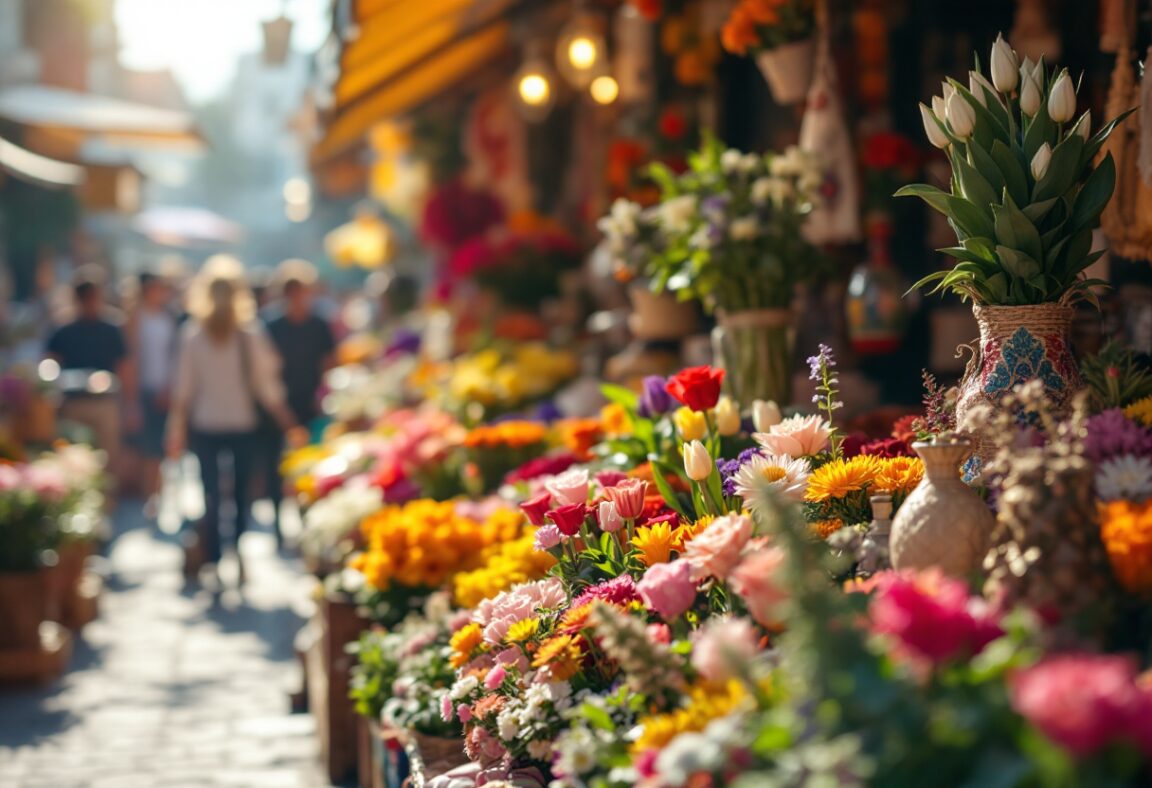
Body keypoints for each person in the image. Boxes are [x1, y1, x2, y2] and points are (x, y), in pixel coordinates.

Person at [166, 257, 297, 586]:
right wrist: (287, 421)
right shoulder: (249, 333)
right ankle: (236, 550)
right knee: (239, 494)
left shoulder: (194, 334)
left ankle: (212, 556)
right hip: (241, 424)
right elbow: (267, 387)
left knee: (210, 492)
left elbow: (183, 390)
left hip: (206, 425)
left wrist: (176, 429)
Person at [261, 259, 335, 546]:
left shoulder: (318, 325)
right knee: (275, 465)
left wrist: (324, 396)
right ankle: (279, 522)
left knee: (310, 466)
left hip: (309, 403)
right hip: (277, 405)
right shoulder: (270, 325)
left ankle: (307, 521)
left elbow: (328, 361)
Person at [46, 266, 135, 480]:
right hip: (73, 403)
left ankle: (107, 507)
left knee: (108, 460)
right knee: (74, 459)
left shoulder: (112, 328)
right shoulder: (64, 329)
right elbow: (49, 365)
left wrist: (129, 405)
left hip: (105, 403)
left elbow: (124, 367)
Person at [126, 270, 179, 517]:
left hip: (165, 390)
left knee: (164, 445)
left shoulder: (169, 317)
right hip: (145, 389)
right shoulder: (136, 318)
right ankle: (150, 495)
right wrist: (133, 399)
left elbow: (174, 356)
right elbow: (132, 359)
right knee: (149, 447)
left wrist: (170, 387)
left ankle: (160, 493)